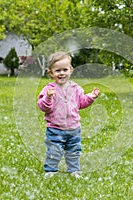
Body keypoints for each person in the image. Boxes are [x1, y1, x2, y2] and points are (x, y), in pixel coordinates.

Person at [37, 51, 100, 179]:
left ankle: (74, 170)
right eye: (57, 71)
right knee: (54, 151)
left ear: (71, 70)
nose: (62, 73)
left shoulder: (76, 88)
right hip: (55, 128)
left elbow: (81, 103)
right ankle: (51, 170)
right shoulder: (49, 89)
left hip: (74, 128)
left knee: (74, 151)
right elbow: (43, 107)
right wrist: (48, 97)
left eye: (65, 70)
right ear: (51, 73)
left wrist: (91, 97)